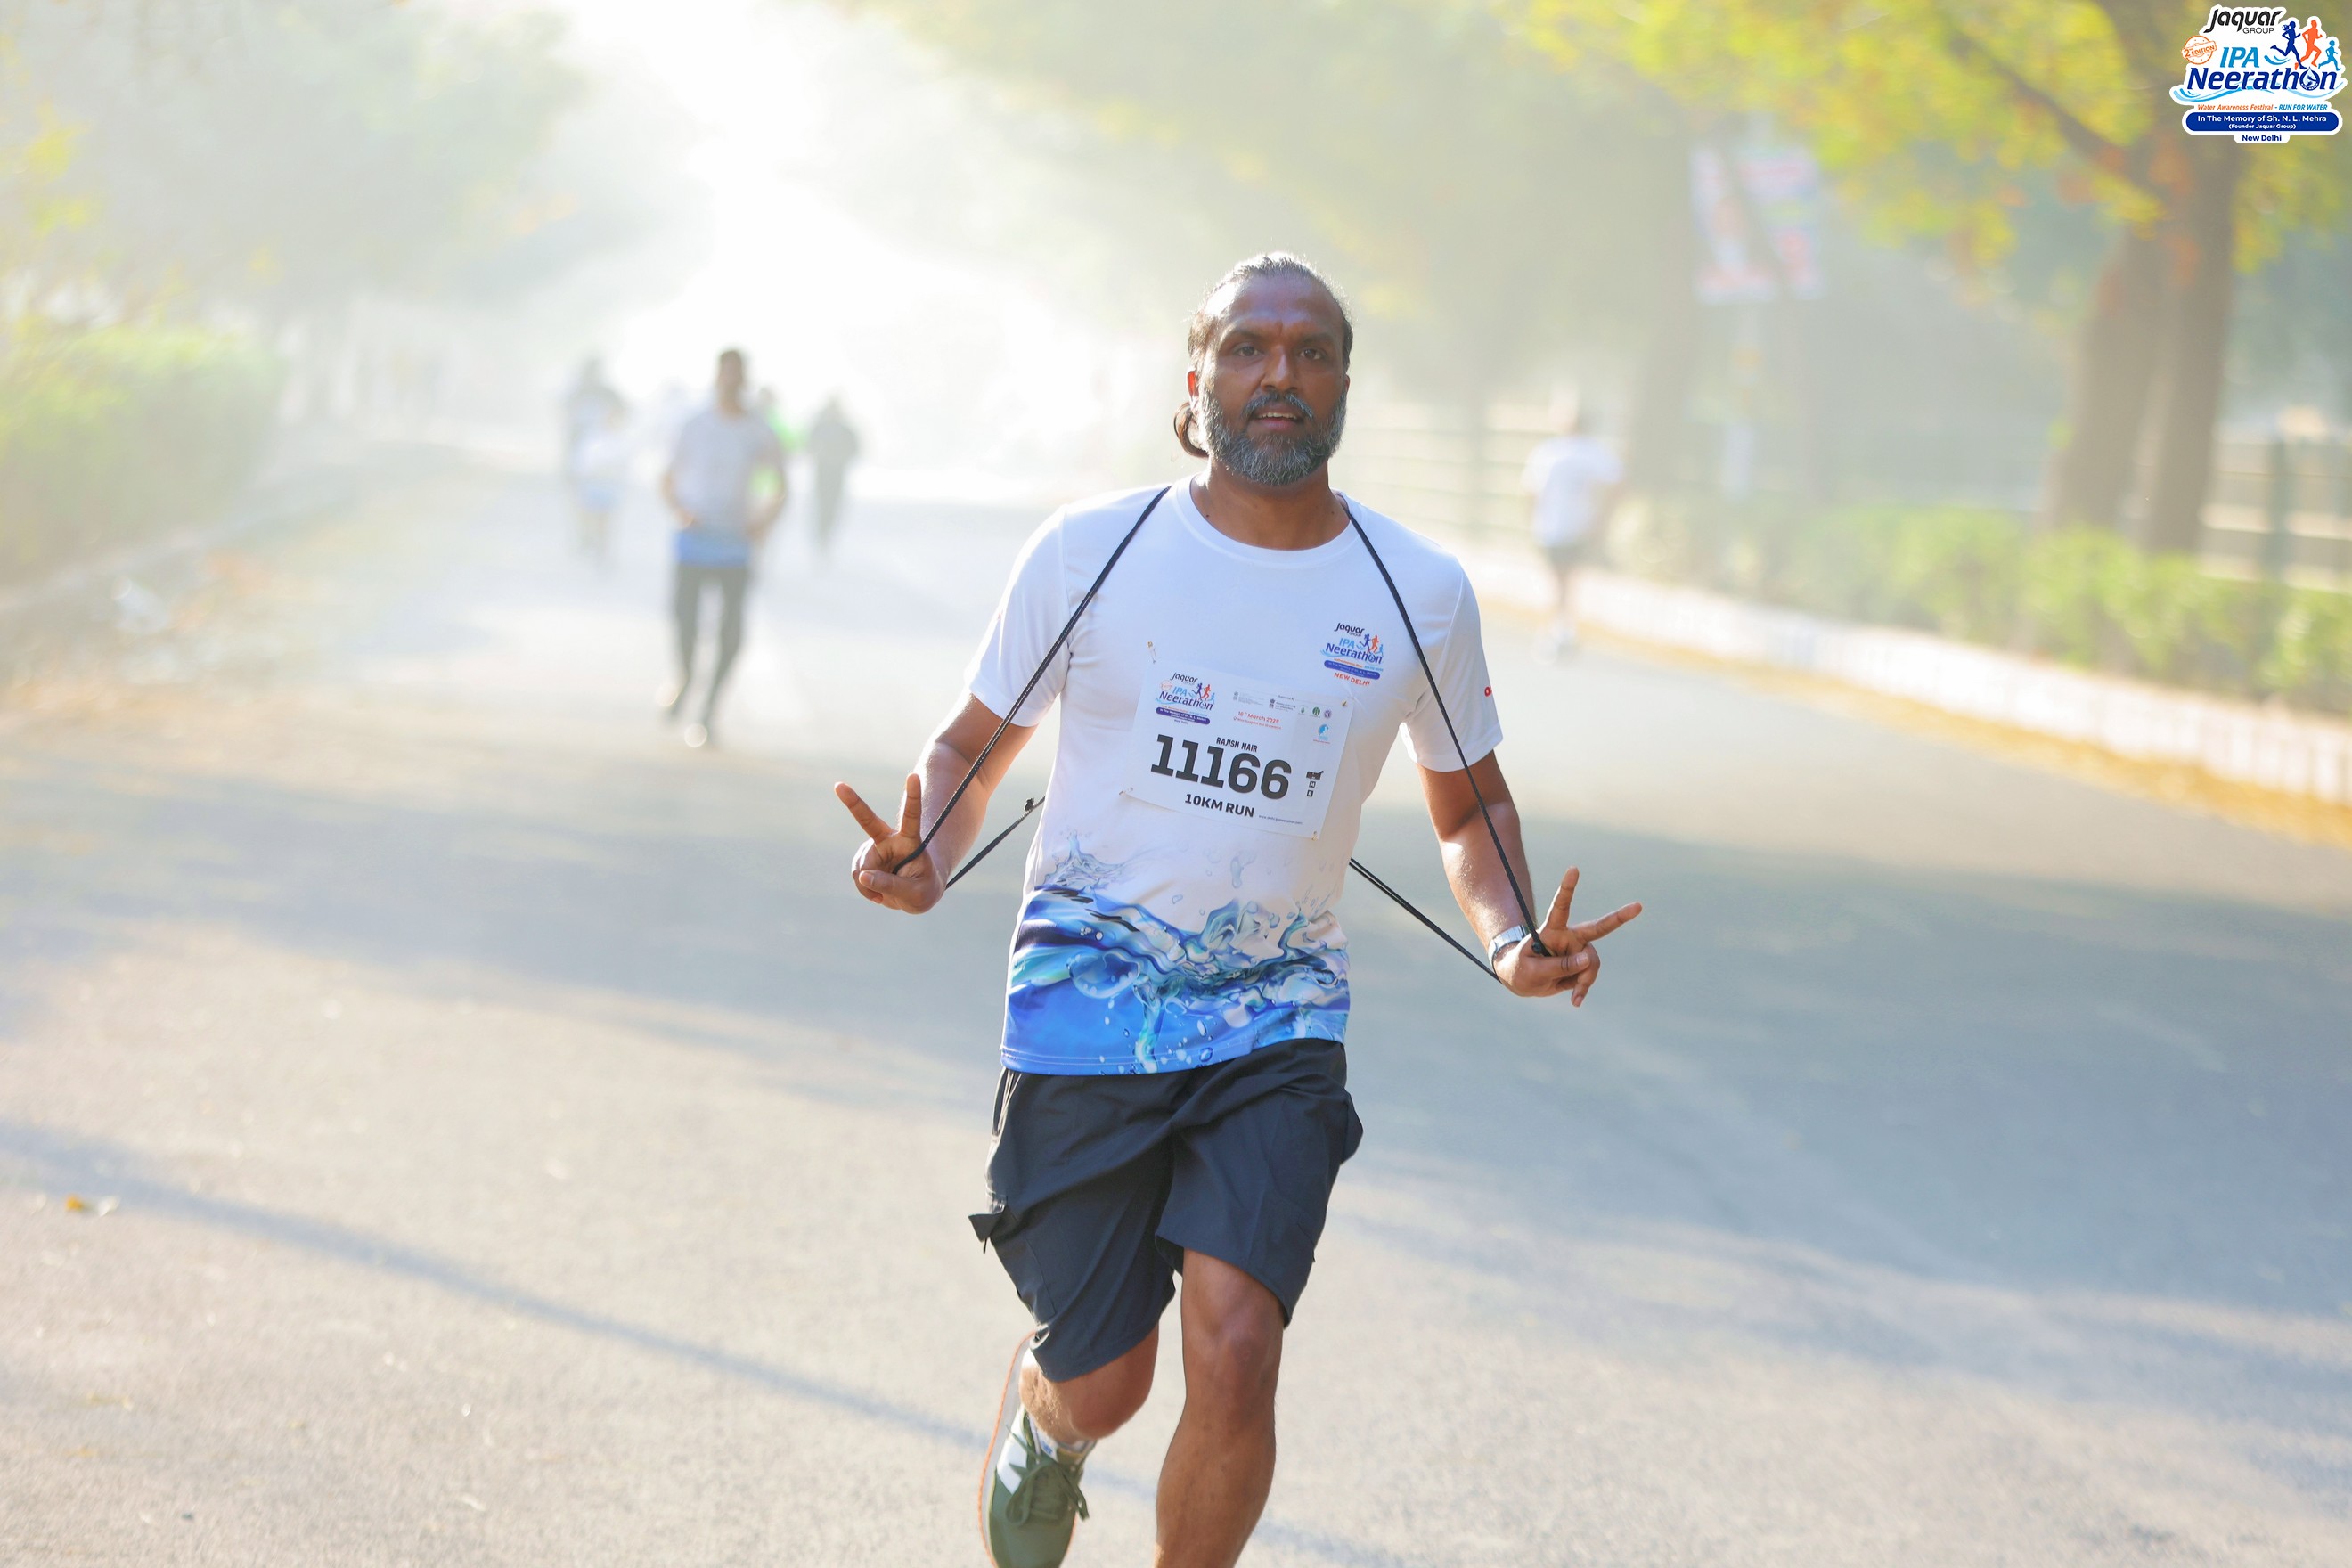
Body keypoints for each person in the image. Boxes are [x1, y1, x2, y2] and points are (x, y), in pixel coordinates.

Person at [835, 254, 1643, 1568]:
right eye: (1251, 348)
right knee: (1108, 1381)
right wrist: (926, 848)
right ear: (1197, 378)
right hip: (1089, 1005)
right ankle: (1047, 1412)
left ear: (1344, 385)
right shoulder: (1093, 550)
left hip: (1278, 1015)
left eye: (1313, 351)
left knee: (1238, 1341)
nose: (1282, 374)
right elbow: (975, 747)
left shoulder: (1415, 590)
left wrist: (1508, 936)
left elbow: (1469, 805)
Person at [660, 347, 786, 748]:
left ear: (744, 379)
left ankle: (709, 710)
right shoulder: (693, 425)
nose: (731, 381)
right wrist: (680, 510)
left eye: (737, 374)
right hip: (694, 540)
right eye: (725, 374)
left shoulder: (758, 430)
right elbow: (666, 477)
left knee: (730, 632)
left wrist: (762, 522)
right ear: (716, 377)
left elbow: (780, 485)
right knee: (685, 621)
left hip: (735, 544)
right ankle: (684, 677)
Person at [1519, 403, 1624, 659]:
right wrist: (1602, 517)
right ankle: (1563, 629)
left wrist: (1531, 519)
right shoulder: (1589, 451)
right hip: (1575, 526)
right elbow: (1617, 481)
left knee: (1559, 581)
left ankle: (1558, 631)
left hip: (1554, 527)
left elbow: (1530, 491)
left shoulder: (1549, 452)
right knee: (1565, 580)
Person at [804, 395, 862, 562]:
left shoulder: (845, 430)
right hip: (822, 474)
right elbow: (808, 447)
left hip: (837, 474)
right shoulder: (819, 428)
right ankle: (821, 538)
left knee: (833, 508)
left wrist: (840, 456)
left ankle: (827, 537)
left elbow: (855, 450)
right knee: (821, 507)